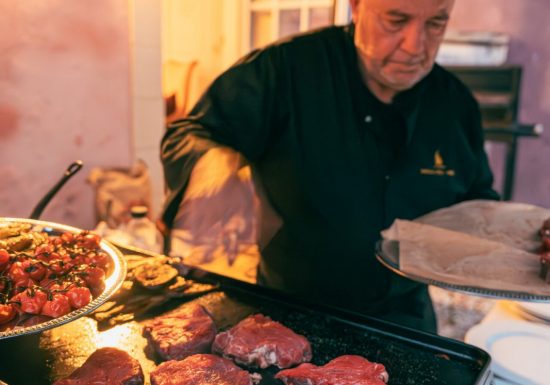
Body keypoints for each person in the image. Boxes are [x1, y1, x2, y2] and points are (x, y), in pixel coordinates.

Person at [160, 0, 500, 333]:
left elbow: (477, 199)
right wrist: (214, 165)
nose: (415, 46)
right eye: (396, 21)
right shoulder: (286, 69)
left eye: (435, 23)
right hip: (288, 315)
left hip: (406, 322)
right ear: (356, 6)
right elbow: (189, 133)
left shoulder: (455, 104)